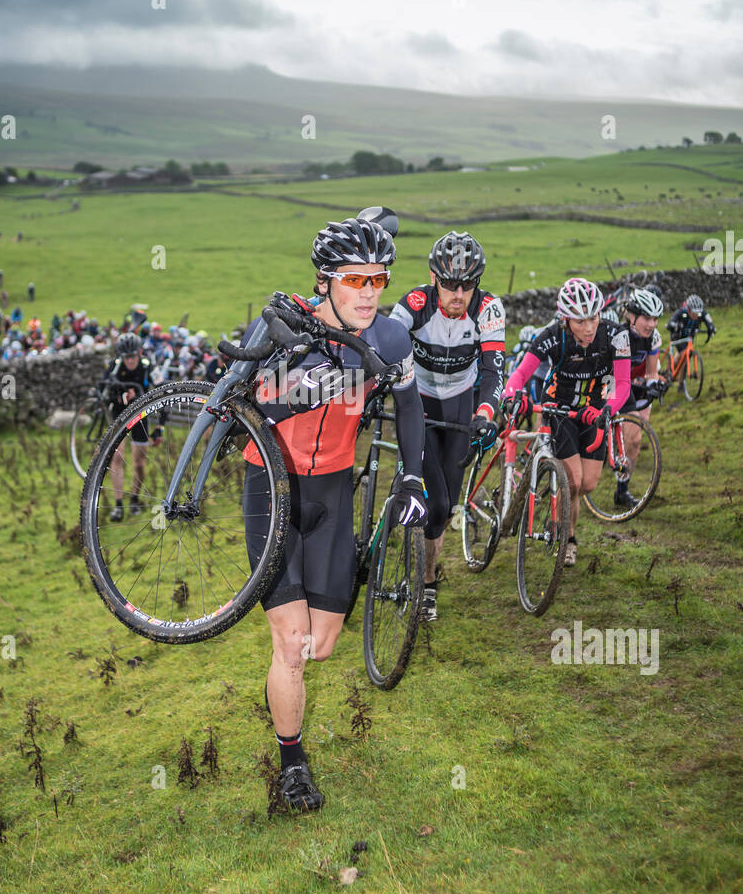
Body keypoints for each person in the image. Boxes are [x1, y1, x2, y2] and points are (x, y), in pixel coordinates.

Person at [241, 214, 425, 813]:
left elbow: (411, 407)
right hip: (273, 487)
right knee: (291, 643)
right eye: (355, 280)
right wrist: (305, 378)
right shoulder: (278, 327)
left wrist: (413, 477)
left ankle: (283, 691)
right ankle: (293, 766)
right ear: (325, 283)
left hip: (334, 492)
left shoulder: (390, 339)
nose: (370, 292)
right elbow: (243, 401)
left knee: (322, 643)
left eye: (379, 279)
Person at [389, 230, 505, 622]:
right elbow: (383, 345)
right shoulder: (415, 304)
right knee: (433, 498)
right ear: (434, 279)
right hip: (417, 400)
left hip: (461, 404)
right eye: (450, 285)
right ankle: (426, 585)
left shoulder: (488, 310)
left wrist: (486, 413)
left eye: (467, 285)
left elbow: (493, 371)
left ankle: (430, 573)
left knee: (445, 508)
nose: (458, 294)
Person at [503, 278, 631, 566]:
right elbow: (521, 374)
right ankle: (568, 538)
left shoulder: (615, 335)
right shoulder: (551, 335)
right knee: (572, 481)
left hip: (594, 413)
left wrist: (608, 409)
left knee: (589, 484)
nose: (589, 327)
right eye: (580, 320)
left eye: (593, 318)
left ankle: (559, 500)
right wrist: (512, 395)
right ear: (565, 318)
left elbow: (623, 382)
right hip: (560, 410)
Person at [615, 287, 666, 509]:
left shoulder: (653, 337)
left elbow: (652, 373)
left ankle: (622, 491)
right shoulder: (619, 335)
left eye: (655, 319)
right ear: (631, 316)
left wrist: (656, 386)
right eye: (647, 318)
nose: (652, 324)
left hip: (635, 384)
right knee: (628, 436)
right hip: (614, 383)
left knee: (635, 441)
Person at [107, 333, 155, 522]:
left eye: (133, 355)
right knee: (117, 457)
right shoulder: (115, 366)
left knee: (139, 462)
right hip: (119, 413)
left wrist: (159, 428)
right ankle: (118, 505)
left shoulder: (146, 366)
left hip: (140, 415)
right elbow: (104, 392)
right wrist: (120, 396)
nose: (130, 360)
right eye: (127, 357)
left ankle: (134, 498)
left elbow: (160, 391)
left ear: (140, 353)